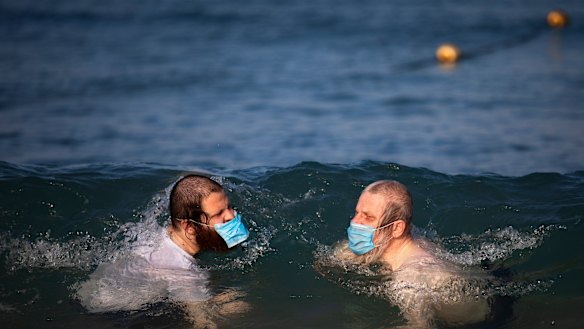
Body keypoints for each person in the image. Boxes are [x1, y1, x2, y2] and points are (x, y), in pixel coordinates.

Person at [76, 174, 250, 328]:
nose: (231, 215)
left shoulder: (157, 234)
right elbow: (202, 322)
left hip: (88, 297)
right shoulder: (182, 272)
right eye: (219, 214)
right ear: (189, 227)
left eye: (228, 206)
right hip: (115, 316)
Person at [322, 180, 492, 328]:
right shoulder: (401, 238)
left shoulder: (411, 278)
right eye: (357, 213)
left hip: (484, 320)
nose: (355, 222)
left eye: (368, 217)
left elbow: (420, 325)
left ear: (397, 228)